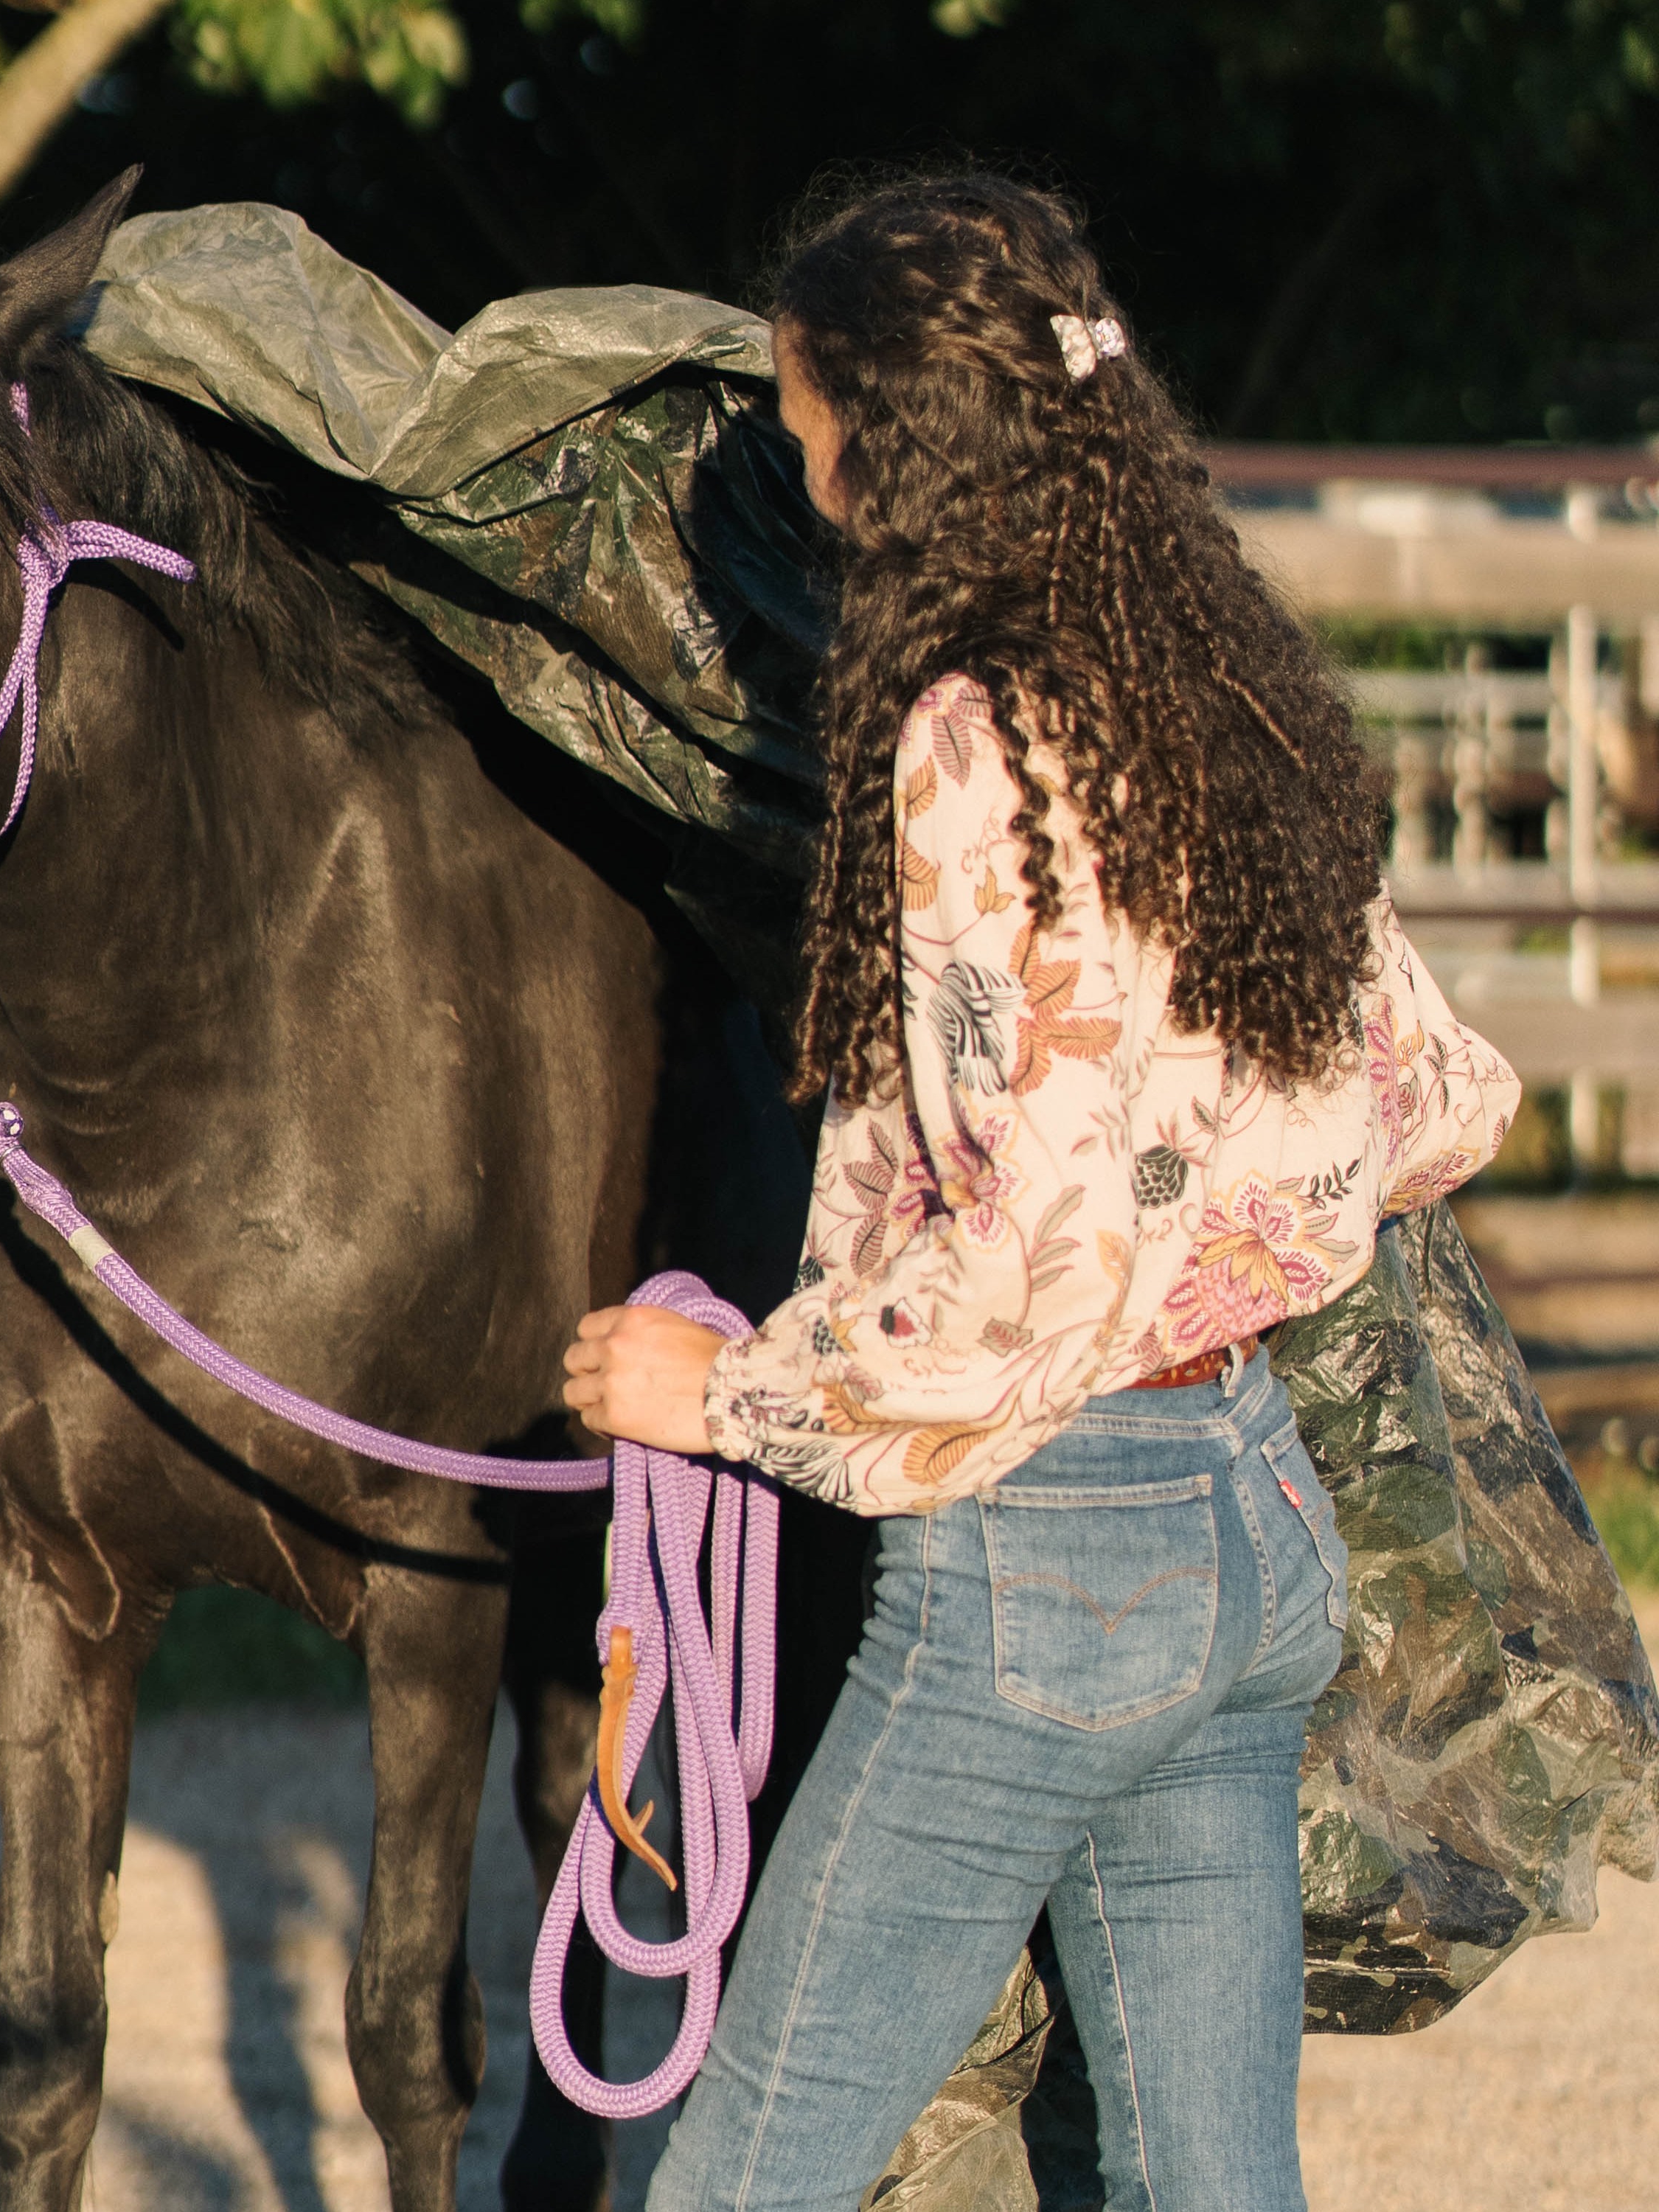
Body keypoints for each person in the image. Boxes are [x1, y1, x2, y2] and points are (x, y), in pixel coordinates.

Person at [560, 175, 1520, 2212]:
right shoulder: (1218, 679)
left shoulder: (973, 741)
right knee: (1209, 2187)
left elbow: (1021, 1290)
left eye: (809, 431)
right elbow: (1431, 1103)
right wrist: (1203, 1229)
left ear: (897, 454)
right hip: (1250, 1512)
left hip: (1047, 1562)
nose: (796, 480)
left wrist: (718, 1397)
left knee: (740, 2175)